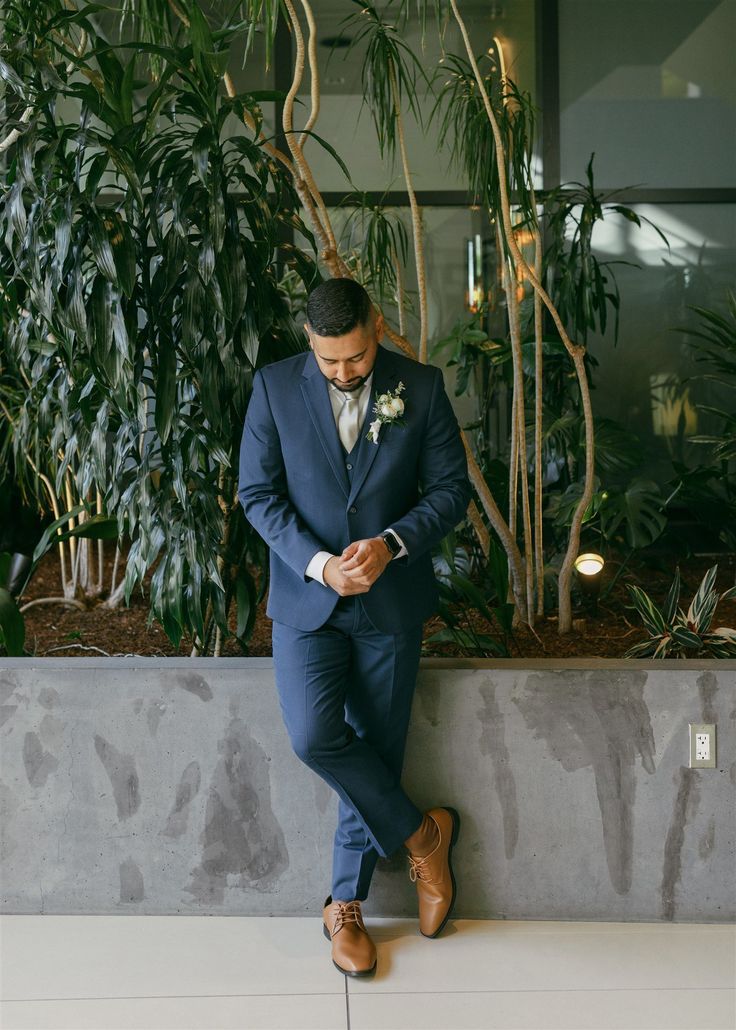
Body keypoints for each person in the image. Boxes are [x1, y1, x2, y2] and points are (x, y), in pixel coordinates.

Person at [237, 278, 472, 977]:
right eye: (328, 361)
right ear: (308, 340)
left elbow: (450, 490)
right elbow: (257, 493)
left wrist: (392, 543)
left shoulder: (421, 388)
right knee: (315, 736)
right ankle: (423, 836)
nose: (342, 373)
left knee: (377, 744)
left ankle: (345, 904)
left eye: (356, 358)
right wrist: (315, 564)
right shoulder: (275, 388)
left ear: (377, 327)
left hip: (389, 604)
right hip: (307, 606)